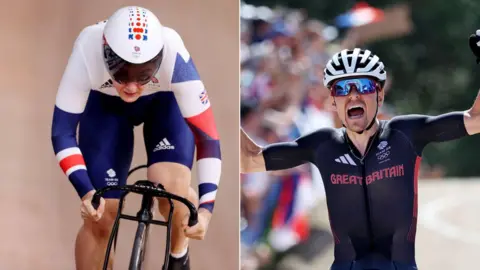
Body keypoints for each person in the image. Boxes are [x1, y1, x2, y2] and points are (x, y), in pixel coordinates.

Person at [241, 38, 480, 269]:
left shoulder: (405, 133)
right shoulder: (322, 145)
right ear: (333, 101)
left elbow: (475, 119)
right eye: (343, 88)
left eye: (364, 86)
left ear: (380, 95)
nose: (354, 95)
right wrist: (217, 98)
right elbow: (249, 160)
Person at [51, 6, 221, 270]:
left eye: (144, 74)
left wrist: (206, 210)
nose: (131, 86)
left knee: (173, 192)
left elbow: (208, 138)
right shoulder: (88, 46)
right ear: (105, 52)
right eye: (120, 72)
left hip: (163, 104)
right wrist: (86, 192)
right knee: (102, 214)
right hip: (105, 108)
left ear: (160, 57)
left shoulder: (174, 51)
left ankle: (178, 254)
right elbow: (62, 132)